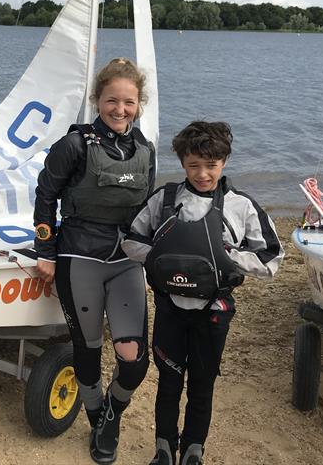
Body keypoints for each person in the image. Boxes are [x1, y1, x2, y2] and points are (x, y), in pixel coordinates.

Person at [122, 121, 283, 465]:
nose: (202, 174)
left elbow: (272, 259)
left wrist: (226, 257)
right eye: (193, 165)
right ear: (183, 163)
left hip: (213, 312)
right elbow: (130, 238)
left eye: (211, 165)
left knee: (201, 385)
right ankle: (164, 449)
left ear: (224, 161)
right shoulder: (165, 199)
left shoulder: (241, 205)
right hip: (170, 309)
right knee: (168, 382)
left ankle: (193, 450)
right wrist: (159, 255)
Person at [33, 57, 156, 464]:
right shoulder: (74, 145)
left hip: (125, 261)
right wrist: (45, 253)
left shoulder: (146, 150)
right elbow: (45, 197)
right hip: (77, 256)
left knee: (134, 359)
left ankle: (111, 413)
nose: (120, 110)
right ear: (97, 100)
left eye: (129, 102)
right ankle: (95, 419)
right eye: (111, 100)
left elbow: (146, 213)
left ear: (139, 104)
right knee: (87, 349)